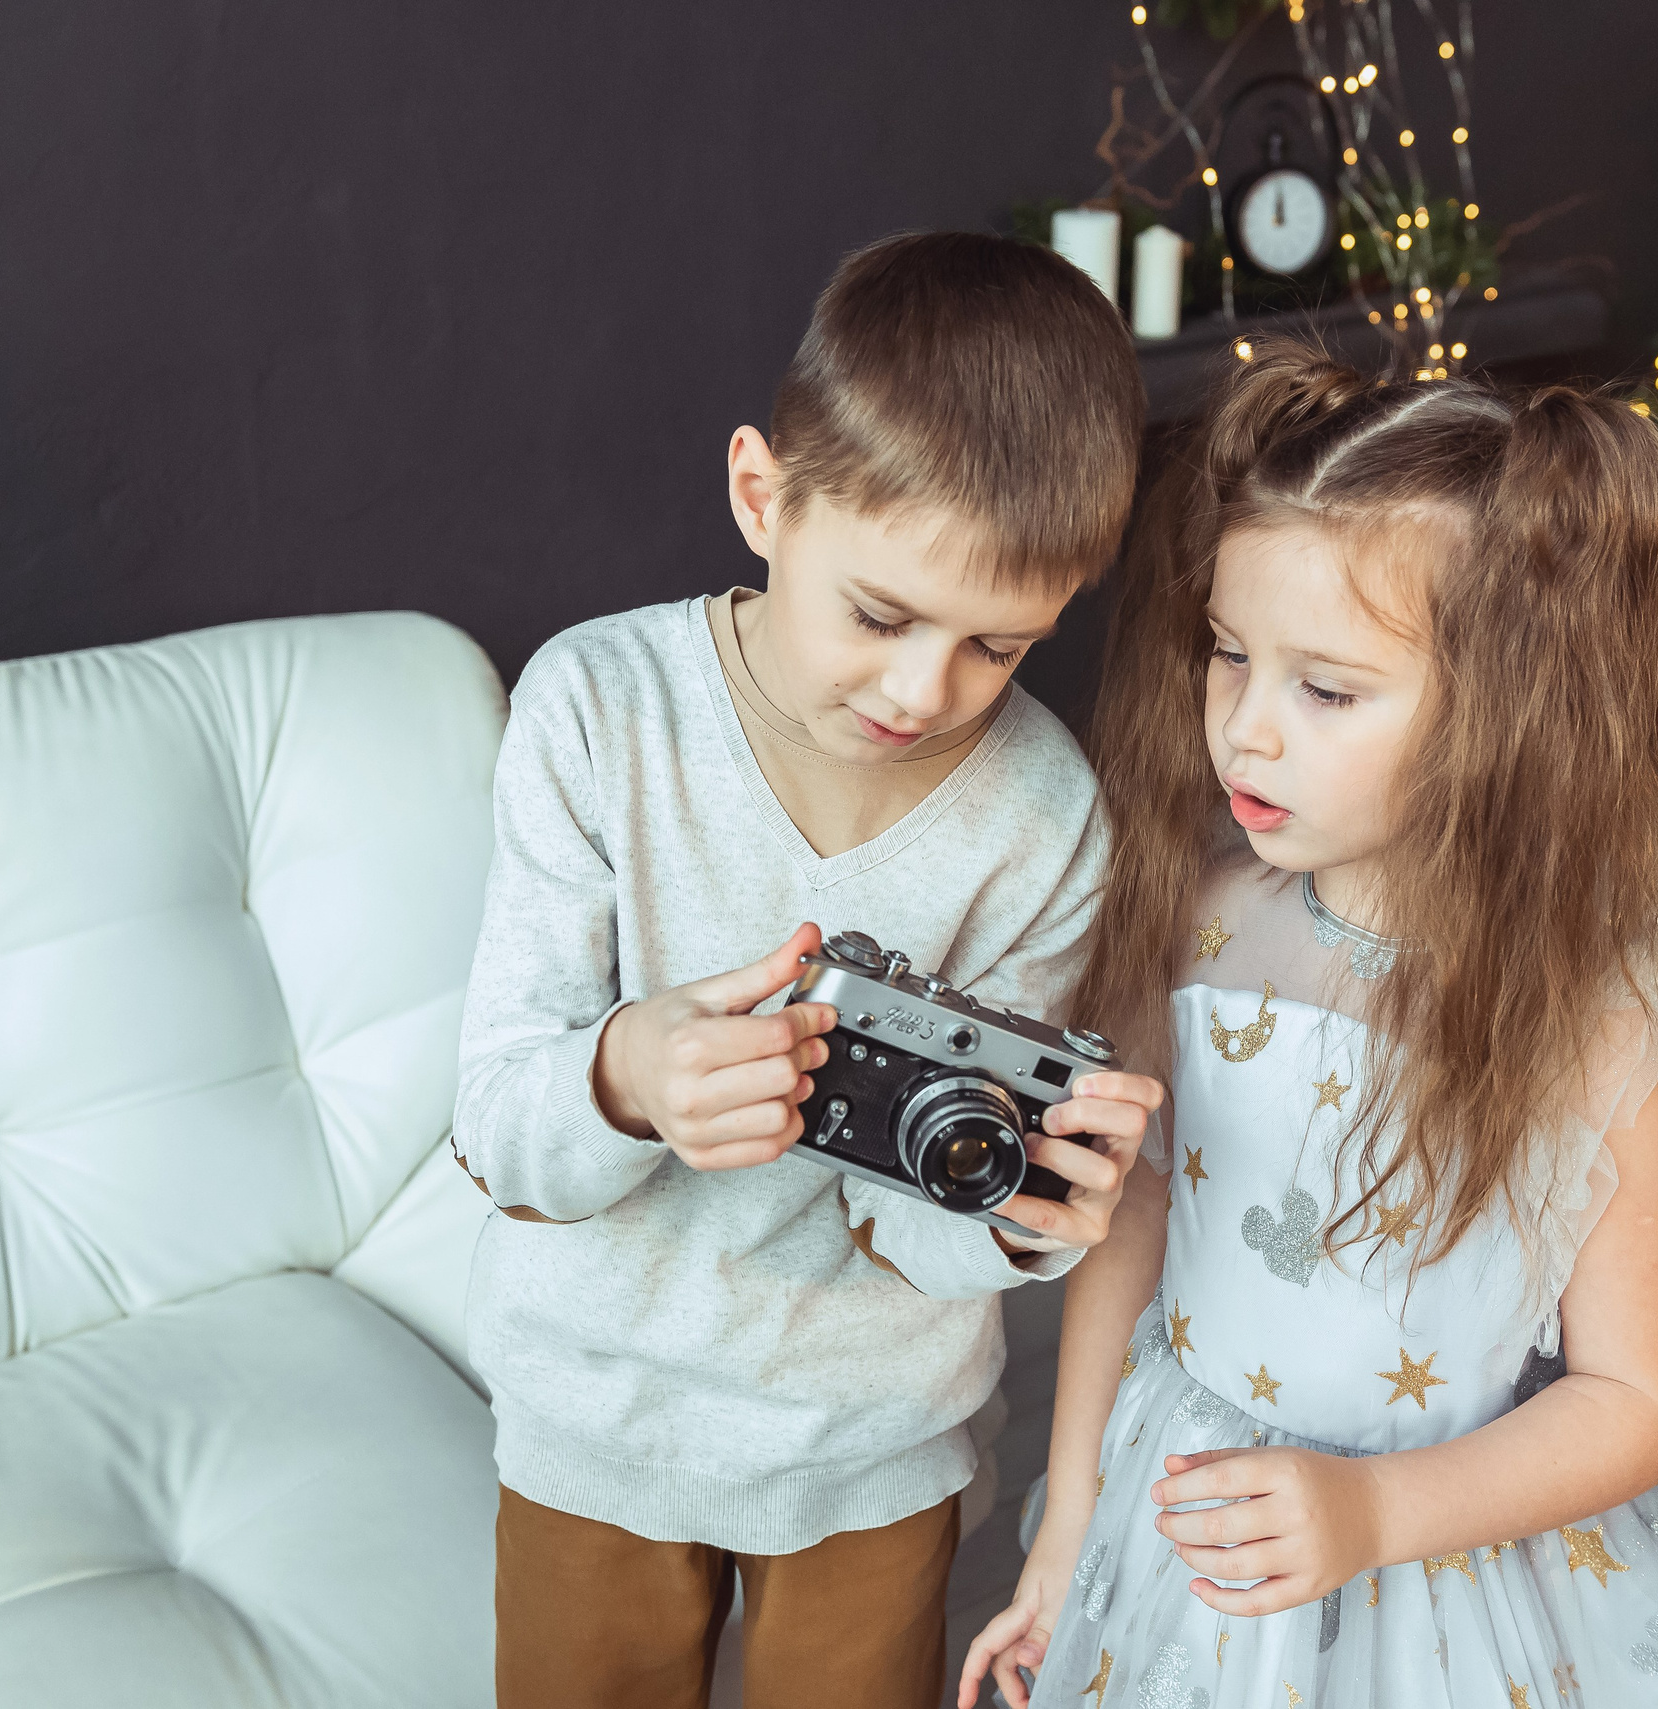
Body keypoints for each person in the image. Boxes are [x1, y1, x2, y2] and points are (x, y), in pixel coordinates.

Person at [961, 342, 1658, 1708]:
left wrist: (1374, 1516)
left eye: (1325, 688)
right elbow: (1139, 1206)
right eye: (1230, 655)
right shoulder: (1204, 915)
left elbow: (1637, 1396)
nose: (1247, 733)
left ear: (1506, 714)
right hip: (1194, 1510)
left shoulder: (1582, 1020)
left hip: (1449, 1564)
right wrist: (1069, 1517)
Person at [454, 230, 1167, 1709]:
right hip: (602, 1418)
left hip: (871, 1446)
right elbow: (496, 1133)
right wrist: (629, 1075)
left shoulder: (1044, 819)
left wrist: (1022, 1211)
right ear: (761, 496)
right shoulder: (599, 711)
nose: (925, 692)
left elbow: (908, 1226)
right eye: (881, 615)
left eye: (1001, 646)